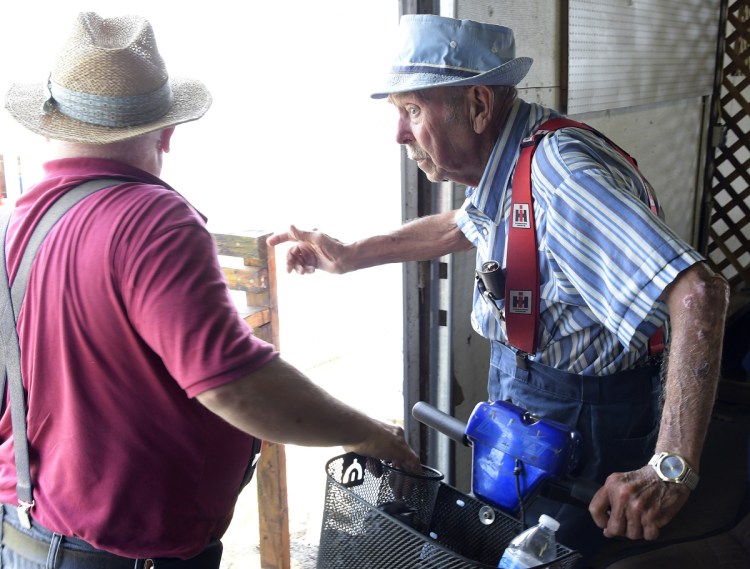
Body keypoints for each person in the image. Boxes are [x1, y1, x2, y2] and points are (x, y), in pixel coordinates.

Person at [268, 13, 730, 566]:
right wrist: (348, 255)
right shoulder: (510, 160)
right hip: (526, 392)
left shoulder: (562, 178)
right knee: (513, 548)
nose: (398, 134)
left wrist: (670, 467)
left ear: (480, 106)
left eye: (412, 110)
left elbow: (700, 293)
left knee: (555, 557)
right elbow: (468, 223)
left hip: (586, 414)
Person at [0, 11, 421, 568]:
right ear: (169, 131)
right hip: (118, 558)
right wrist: (370, 436)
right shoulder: (151, 219)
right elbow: (234, 384)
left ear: (54, 122)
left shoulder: (22, 219)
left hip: (29, 534)